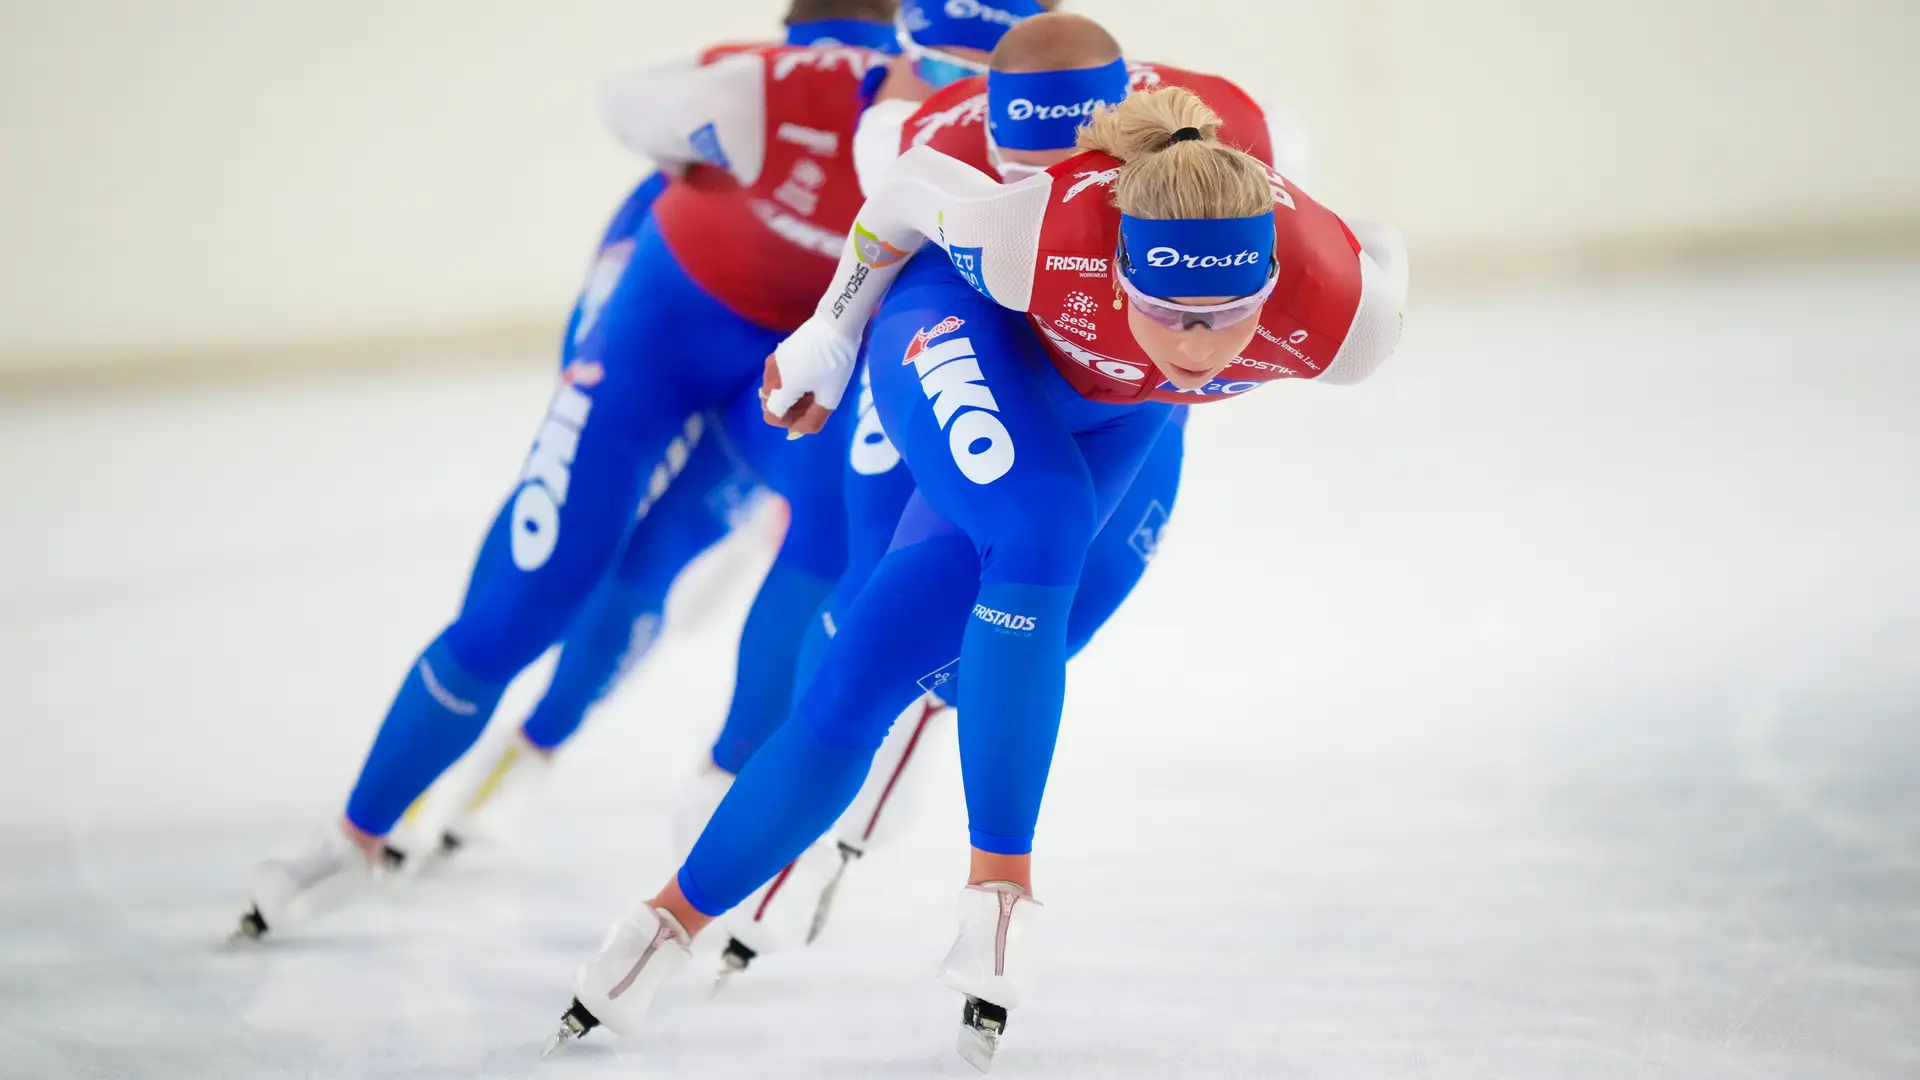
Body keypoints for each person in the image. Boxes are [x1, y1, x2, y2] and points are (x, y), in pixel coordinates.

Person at [545, 24, 1408, 1075]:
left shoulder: (1344, 320)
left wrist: (1323, 243)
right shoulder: (1037, 226)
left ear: (1275, 280)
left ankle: (660, 927)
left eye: (1226, 316)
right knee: (1034, 526)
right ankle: (1000, 890)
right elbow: (903, 198)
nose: (1196, 344)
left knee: (896, 666)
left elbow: (1371, 247)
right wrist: (830, 334)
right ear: (1119, 268)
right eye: (1166, 311)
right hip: (964, 323)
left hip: (1117, 412)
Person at [232, 0, 902, 941]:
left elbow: (624, 117)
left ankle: (376, 824)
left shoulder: (770, 89)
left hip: (714, 338)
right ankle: (654, 784)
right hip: (717, 339)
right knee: (662, 564)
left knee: (572, 579)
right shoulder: (848, 99)